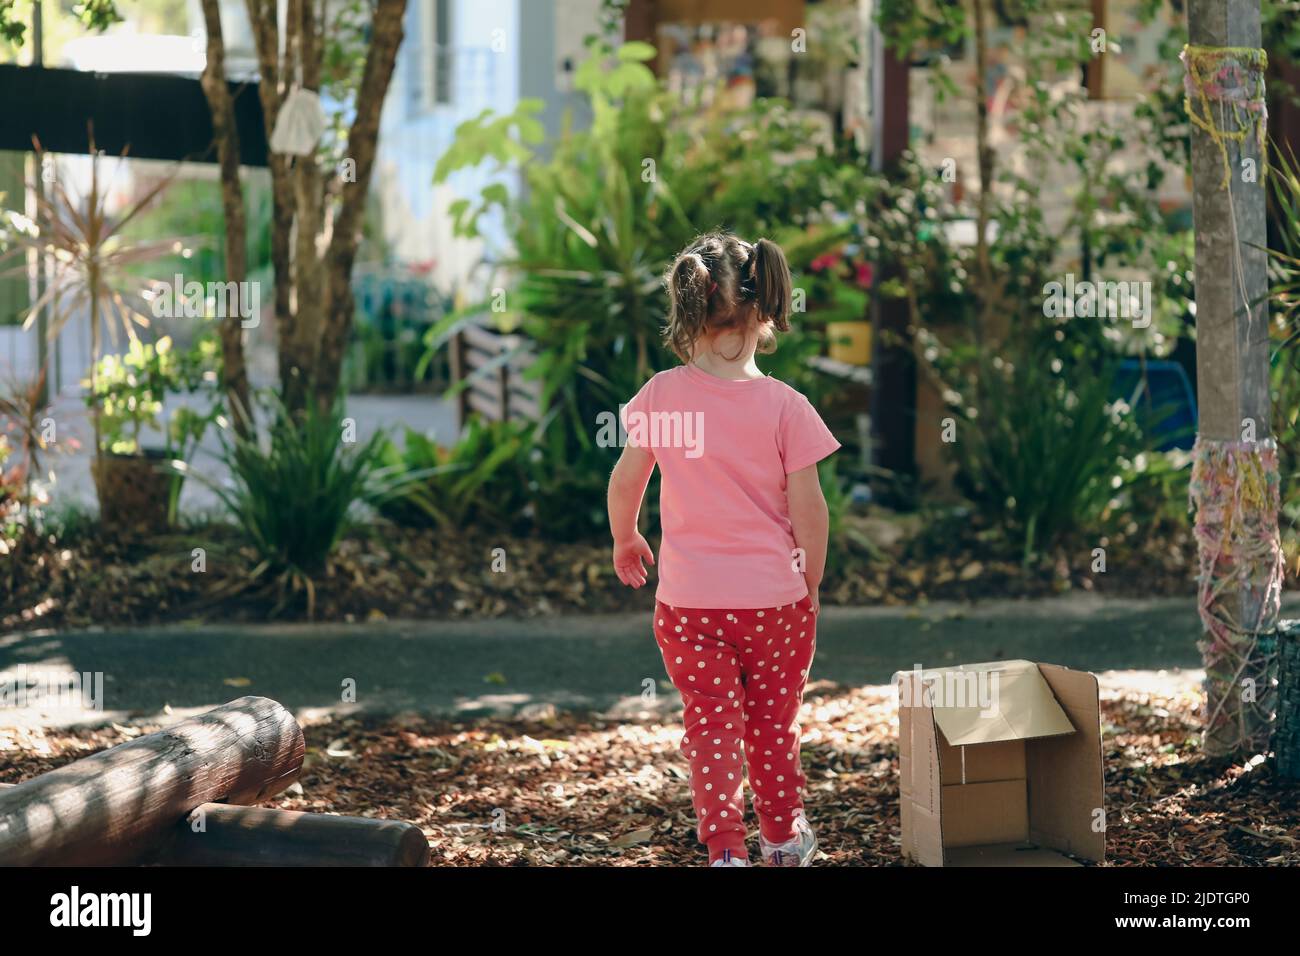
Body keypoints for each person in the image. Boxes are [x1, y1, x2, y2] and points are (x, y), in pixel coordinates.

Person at [606, 232, 840, 866]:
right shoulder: (786, 407)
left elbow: (628, 478)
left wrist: (626, 537)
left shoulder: (663, 396)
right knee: (772, 725)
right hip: (775, 604)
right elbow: (809, 509)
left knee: (711, 727)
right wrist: (810, 578)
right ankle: (783, 839)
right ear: (765, 311)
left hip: (688, 604)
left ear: (686, 313)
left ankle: (726, 851)